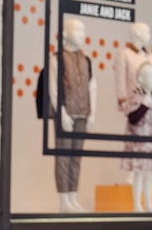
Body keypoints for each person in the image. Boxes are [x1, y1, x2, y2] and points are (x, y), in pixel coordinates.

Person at [49, 17, 96, 213]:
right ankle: (63, 200)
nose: (82, 35)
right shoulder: (56, 59)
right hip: (66, 114)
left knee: (76, 157)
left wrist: (93, 112)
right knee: (63, 156)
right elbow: (54, 87)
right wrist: (61, 113)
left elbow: (92, 86)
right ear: (66, 34)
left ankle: (73, 198)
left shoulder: (86, 60)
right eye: (77, 30)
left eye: (83, 31)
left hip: (82, 114)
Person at [121, 61, 152, 212]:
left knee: (150, 176)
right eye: (150, 77)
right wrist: (144, 105)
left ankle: (148, 203)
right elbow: (132, 118)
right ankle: (137, 204)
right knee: (139, 175)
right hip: (139, 143)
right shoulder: (134, 97)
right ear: (141, 79)